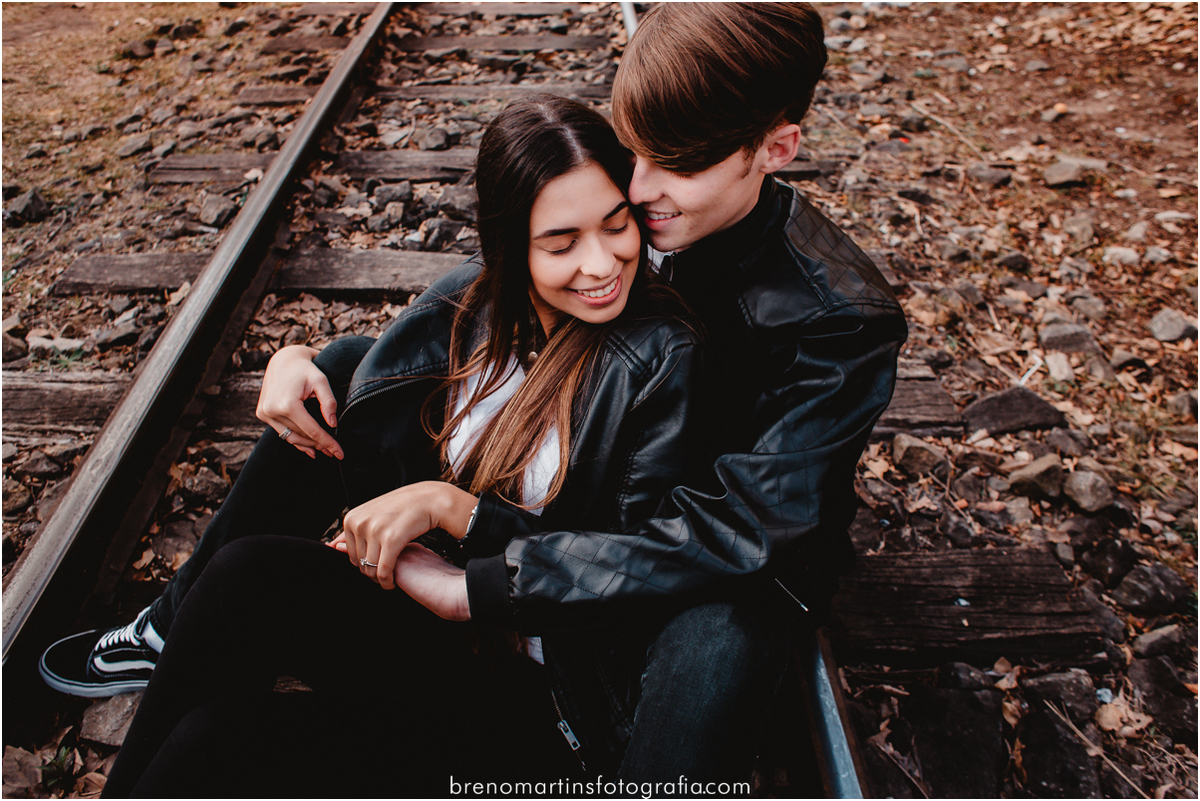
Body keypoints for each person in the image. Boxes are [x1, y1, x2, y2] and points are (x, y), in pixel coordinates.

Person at [45, 1, 908, 787]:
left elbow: (737, 530)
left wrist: (479, 567)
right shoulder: (648, 218)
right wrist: (309, 354)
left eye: (674, 166)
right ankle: (174, 621)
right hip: (562, 539)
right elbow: (494, 323)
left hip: (672, 583)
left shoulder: (835, 318)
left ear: (778, 149)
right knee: (287, 491)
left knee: (721, 631)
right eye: (633, 151)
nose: (636, 195)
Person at [98, 94, 705, 796]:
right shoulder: (471, 312)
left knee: (214, 742)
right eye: (562, 242)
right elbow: (372, 388)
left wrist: (460, 513)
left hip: (544, 702)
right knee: (243, 584)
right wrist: (300, 360)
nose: (602, 263)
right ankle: (169, 640)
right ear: (508, 244)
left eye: (615, 224)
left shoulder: (660, 356)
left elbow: (629, 571)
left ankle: (176, 654)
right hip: (442, 636)